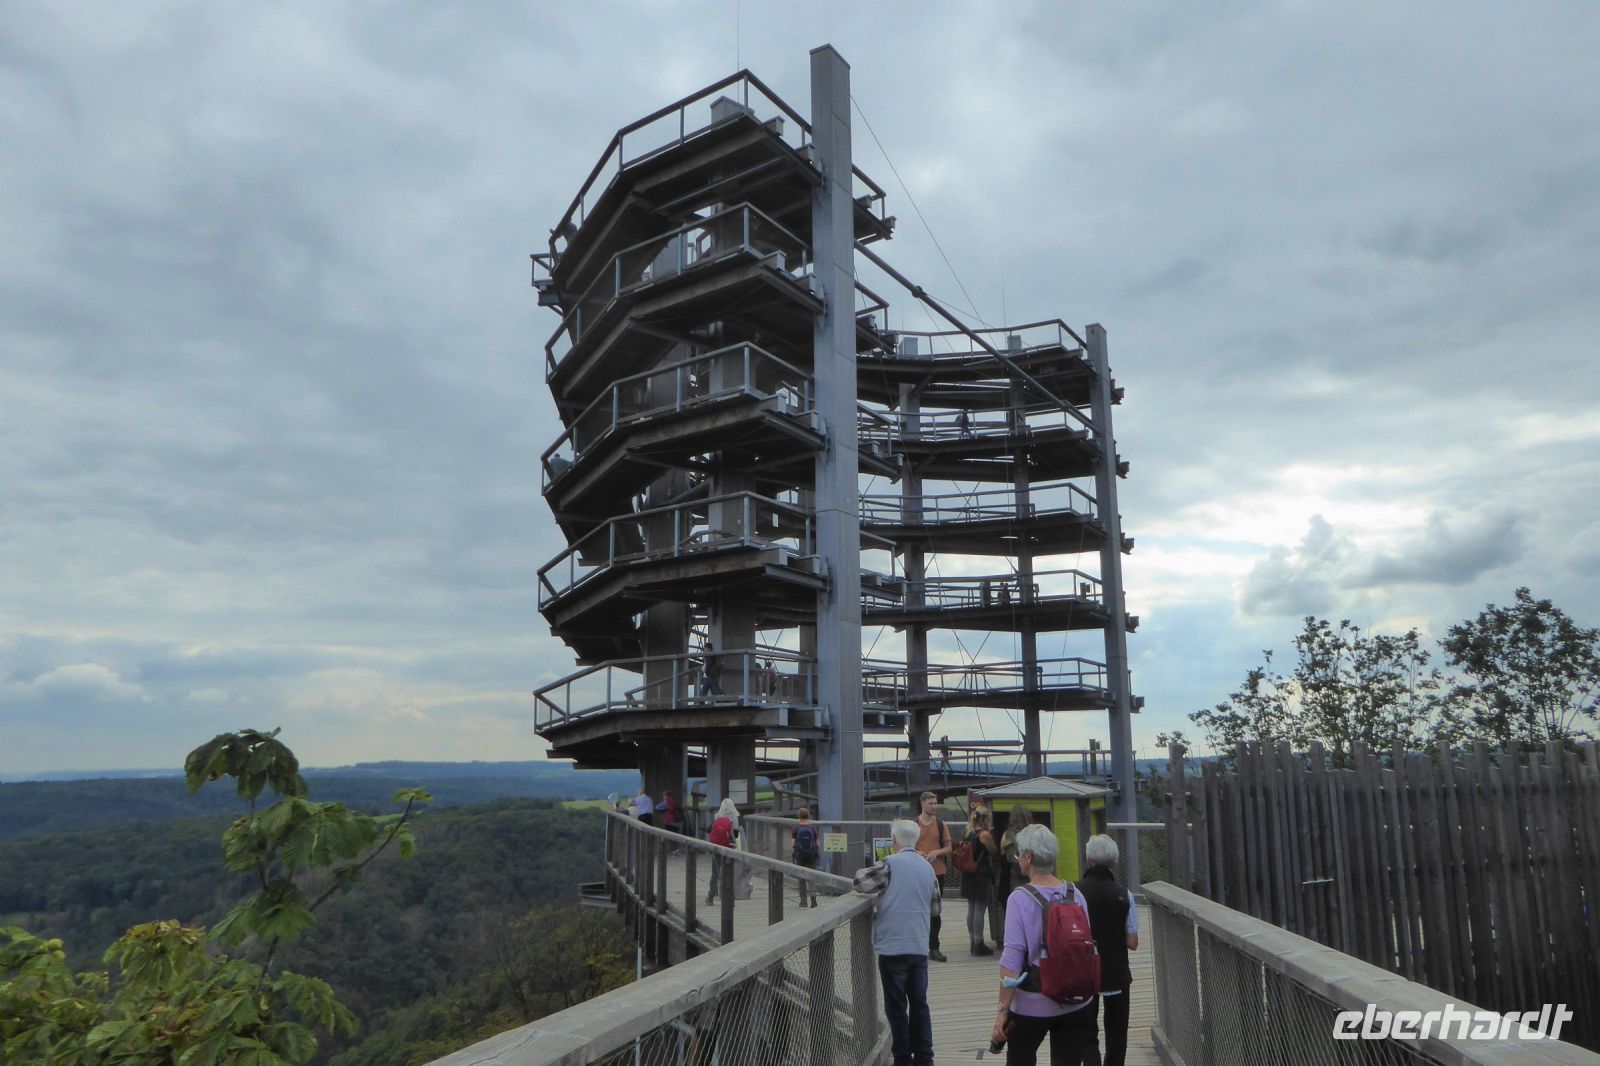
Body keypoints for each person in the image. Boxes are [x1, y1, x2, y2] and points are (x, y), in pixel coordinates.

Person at [993, 824, 1099, 1065]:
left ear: (1028, 857)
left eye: (1019, 854)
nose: (1018, 858)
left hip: (1033, 1002)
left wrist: (1002, 1011)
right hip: (1076, 1001)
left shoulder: (1020, 898)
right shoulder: (1075, 894)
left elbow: (1011, 961)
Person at [853, 819, 941, 1066]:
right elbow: (936, 908)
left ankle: (903, 1059)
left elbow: (860, 882)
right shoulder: (927, 868)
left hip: (892, 946)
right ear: (916, 841)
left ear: (893, 841)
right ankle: (926, 1059)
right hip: (918, 945)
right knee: (920, 1004)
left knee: (896, 1008)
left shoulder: (890, 864)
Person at [1076, 834, 1139, 1066]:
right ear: (1113, 862)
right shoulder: (1125, 895)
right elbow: (1132, 941)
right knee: (1117, 1034)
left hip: (1084, 973)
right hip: (1116, 974)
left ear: (1089, 860)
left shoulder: (1074, 893)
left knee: (1087, 1031)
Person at [913, 791, 951, 962]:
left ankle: (934, 947)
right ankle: (918, 946)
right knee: (917, 910)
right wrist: (917, 853)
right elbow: (902, 846)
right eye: (931, 803)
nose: (934, 806)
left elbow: (949, 848)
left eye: (936, 803)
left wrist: (938, 851)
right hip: (917, 872)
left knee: (935, 912)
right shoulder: (913, 825)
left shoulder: (941, 824)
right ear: (922, 804)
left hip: (937, 872)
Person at [961, 800, 998, 955]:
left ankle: (972, 941)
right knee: (980, 908)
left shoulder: (967, 831)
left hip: (968, 872)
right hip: (981, 873)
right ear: (984, 820)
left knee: (971, 907)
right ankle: (978, 944)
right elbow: (994, 851)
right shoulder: (984, 835)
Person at [998, 804, 1034, 918]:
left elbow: (1002, 854)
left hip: (1014, 877)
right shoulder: (1034, 832)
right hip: (1031, 876)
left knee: (1016, 910)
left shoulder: (1007, 835)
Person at [705, 797, 740, 904]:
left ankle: (710, 897)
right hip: (728, 849)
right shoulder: (734, 818)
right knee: (728, 872)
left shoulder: (717, 816)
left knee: (715, 872)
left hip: (716, 848)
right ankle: (730, 898)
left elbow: (708, 829)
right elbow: (736, 834)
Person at [791, 806, 821, 908]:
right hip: (812, 855)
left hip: (800, 856)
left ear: (798, 816)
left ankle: (803, 901)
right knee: (812, 877)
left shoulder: (796, 827)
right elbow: (817, 843)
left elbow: (793, 844)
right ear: (808, 816)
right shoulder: (812, 828)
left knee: (801, 878)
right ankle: (813, 900)